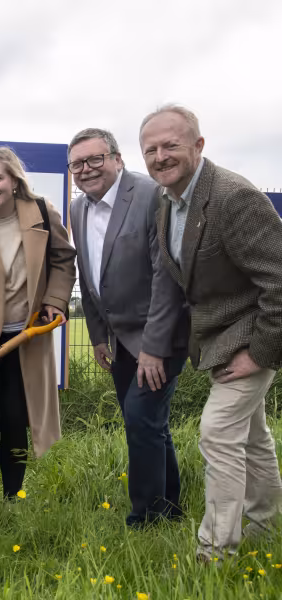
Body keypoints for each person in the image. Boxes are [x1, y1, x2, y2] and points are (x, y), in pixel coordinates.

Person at [140, 104, 282, 560]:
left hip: (250, 339)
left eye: (170, 146)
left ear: (198, 146)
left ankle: (216, 551)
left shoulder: (233, 197)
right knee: (253, 438)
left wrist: (259, 353)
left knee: (217, 433)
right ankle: (264, 526)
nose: (160, 157)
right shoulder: (169, 202)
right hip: (220, 343)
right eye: (151, 149)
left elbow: (279, 281)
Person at [68, 128, 189, 527]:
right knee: (149, 423)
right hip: (117, 340)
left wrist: (153, 348)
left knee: (140, 419)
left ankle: (146, 518)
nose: (86, 169)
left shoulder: (150, 194)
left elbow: (166, 276)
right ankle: (171, 506)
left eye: (95, 159)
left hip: (160, 336)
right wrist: (99, 336)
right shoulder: (78, 209)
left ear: (117, 159)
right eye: (77, 164)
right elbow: (88, 276)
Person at [0, 146, 75, 506]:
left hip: (28, 337)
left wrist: (54, 300)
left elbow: (63, 260)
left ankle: (12, 498)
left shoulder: (41, 212)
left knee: (15, 418)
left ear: (14, 181)